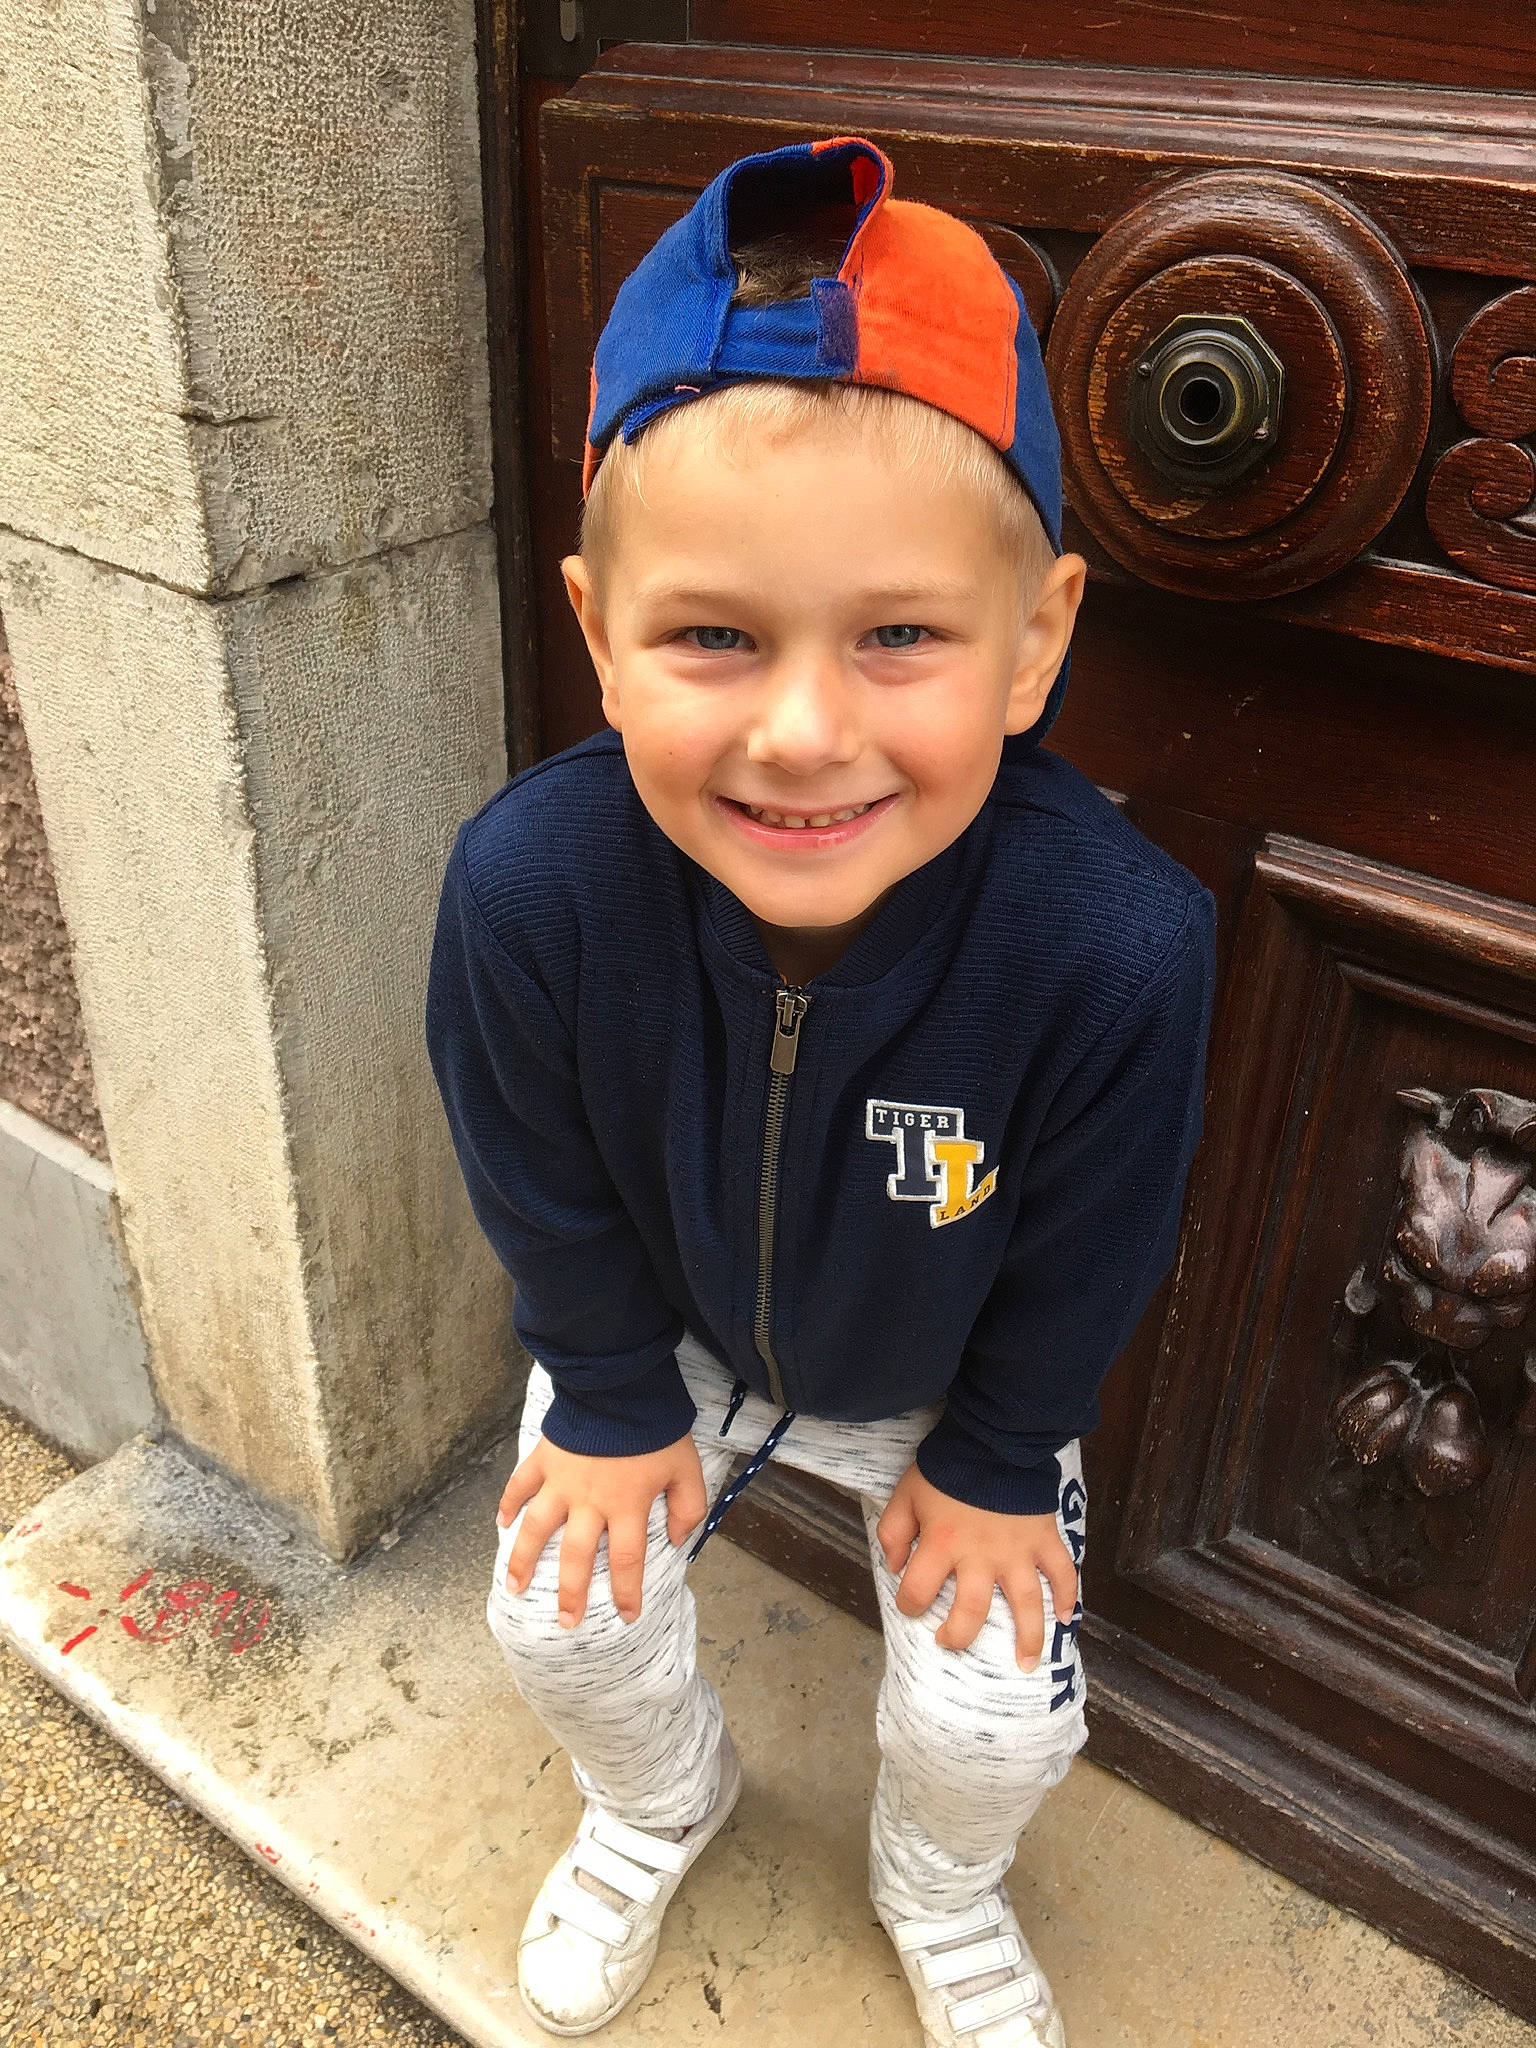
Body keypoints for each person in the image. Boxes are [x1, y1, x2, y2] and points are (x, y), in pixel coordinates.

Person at [426, 133, 1217, 2047]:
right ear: (601, 637)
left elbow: (1099, 1239)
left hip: (950, 1379)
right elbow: (531, 1166)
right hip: (670, 1333)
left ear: (1033, 646)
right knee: (555, 1606)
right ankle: (657, 1799)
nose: (800, 734)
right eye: (712, 634)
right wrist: (608, 1392)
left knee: (992, 1705)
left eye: (900, 637)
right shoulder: (529, 889)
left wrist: (1004, 1453)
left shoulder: (1118, 940)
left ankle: (937, 1887)